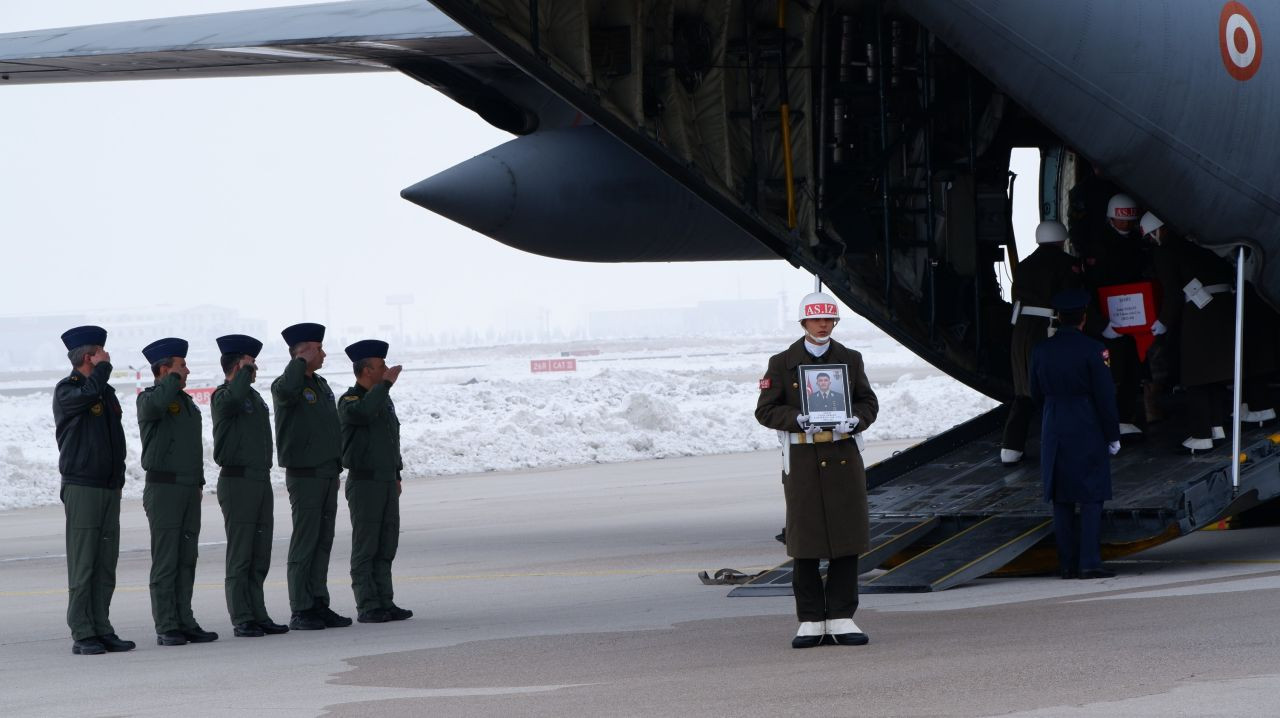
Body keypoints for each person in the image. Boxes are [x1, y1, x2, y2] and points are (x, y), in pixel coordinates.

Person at [755, 292, 878, 648]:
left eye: (829, 320)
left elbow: (868, 401)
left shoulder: (850, 360)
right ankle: (810, 618)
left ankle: (842, 615)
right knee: (806, 540)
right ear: (804, 323)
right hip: (805, 459)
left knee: (846, 537)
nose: (823, 325)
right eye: (816, 320)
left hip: (842, 454)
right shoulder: (781, 363)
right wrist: (796, 419)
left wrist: (858, 419)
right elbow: (765, 410)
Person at [53, 325, 134, 655]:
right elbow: (86, 396)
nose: (107, 356)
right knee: (84, 561)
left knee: (104, 562)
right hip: (83, 486)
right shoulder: (68, 390)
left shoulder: (106, 392)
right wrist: (100, 371)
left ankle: (102, 626)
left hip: (107, 486)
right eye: (101, 352)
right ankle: (82, 630)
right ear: (89, 357)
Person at [1030, 289, 1120, 580]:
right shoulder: (1095, 350)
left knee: (1062, 497)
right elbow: (1105, 397)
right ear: (1083, 318)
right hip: (1086, 422)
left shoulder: (1041, 350)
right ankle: (1090, 562)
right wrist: (1113, 434)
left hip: (1054, 422)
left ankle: (1067, 564)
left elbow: (1035, 392)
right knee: (1091, 495)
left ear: (1058, 317)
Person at [137, 337, 218, 645]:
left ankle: (185, 619)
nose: (187, 371)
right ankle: (167, 624)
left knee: (186, 557)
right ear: (164, 369)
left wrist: (197, 482)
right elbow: (157, 406)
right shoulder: (149, 398)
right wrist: (169, 380)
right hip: (164, 488)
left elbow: (190, 447)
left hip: (186, 487)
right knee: (167, 559)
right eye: (181, 365)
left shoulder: (185, 402)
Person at [272, 322, 351, 631]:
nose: (324, 354)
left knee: (322, 541)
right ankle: (301, 608)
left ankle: (319, 603)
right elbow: (289, 390)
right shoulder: (285, 384)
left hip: (327, 471)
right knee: (305, 542)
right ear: (304, 351)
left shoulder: (319, 384)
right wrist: (299, 362)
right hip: (305, 474)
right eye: (318, 348)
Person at [211, 334, 289, 638]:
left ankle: (258, 612)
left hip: (258, 478)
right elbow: (231, 400)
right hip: (237, 480)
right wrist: (240, 374)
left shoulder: (253, 396)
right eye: (249, 363)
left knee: (259, 552)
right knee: (241, 552)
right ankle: (241, 616)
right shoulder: (224, 395)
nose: (254, 368)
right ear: (236, 366)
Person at [1145, 215, 1236, 451]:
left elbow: (1173, 292)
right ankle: (1216, 425)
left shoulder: (1166, 252)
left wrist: (1163, 321)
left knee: (1195, 377)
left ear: (1157, 232)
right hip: (1222, 309)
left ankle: (1202, 433)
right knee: (1214, 375)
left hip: (1197, 316)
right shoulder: (1199, 242)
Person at [338, 339, 413, 623]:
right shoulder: (350, 401)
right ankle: (368, 604)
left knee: (386, 543)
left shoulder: (382, 397)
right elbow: (364, 414)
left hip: (384, 481)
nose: (386, 370)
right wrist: (385, 386)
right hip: (365, 482)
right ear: (366, 370)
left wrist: (395, 473)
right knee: (367, 545)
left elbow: (390, 438)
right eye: (381, 366)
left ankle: (385, 600)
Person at [1001, 220, 1082, 465]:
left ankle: (1011, 447)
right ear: (1061, 239)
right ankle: (1061, 444)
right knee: (1054, 388)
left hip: (1022, 331)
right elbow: (1072, 298)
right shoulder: (1068, 265)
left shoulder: (1024, 266)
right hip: (1048, 329)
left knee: (1024, 390)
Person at [1077, 193, 1150, 443]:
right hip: (1109, 321)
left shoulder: (1139, 244)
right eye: (1122, 221)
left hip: (1134, 317)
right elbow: (1089, 289)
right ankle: (1107, 419)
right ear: (1111, 219)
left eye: (1130, 221)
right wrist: (1100, 324)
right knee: (1110, 373)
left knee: (1133, 369)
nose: (1127, 226)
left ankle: (1124, 418)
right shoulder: (1097, 247)